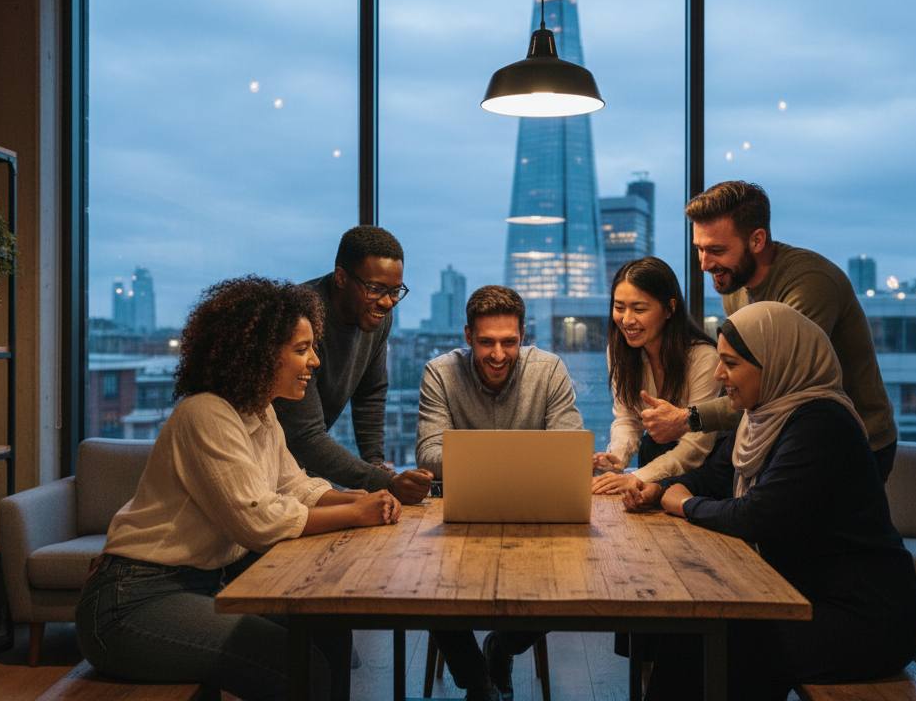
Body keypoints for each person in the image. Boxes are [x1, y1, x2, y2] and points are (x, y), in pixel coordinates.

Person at [75, 276, 403, 701]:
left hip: (202, 586)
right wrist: (356, 514)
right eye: (302, 349)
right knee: (302, 669)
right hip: (131, 604)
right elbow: (258, 521)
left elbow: (294, 485)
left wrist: (353, 498)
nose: (315, 361)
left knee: (329, 633)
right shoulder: (206, 413)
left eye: (313, 348)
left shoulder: (260, 411)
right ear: (260, 354)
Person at [621, 301, 916, 700]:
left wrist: (684, 504)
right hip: (797, 596)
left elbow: (756, 515)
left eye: (731, 363)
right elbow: (717, 477)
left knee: (707, 645)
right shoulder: (762, 414)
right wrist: (662, 488)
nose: (718, 374)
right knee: (691, 636)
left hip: (859, 617)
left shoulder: (821, 423)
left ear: (775, 361)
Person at [415, 285, 583, 701]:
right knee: (423, 587)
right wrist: (520, 457)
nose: (498, 354)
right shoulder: (440, 371)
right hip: (459, 510)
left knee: (573, 585)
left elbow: (569, 446)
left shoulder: (549, 369)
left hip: (535, 510)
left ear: (523, 336)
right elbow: (427, 452)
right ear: (468, 335)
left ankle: (502, 645)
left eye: (509, 342)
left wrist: (477, 456)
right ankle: (479, 681)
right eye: (486, 341)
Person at [686, 180, 899, 480]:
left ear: (757, 241)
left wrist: (690, 418)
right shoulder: (733, 285)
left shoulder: (811, 283)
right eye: (699, 249)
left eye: (717, 250)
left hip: (855, 441)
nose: (705, 264)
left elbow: (772, 388)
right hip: (786, 432)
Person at [273, 225, 433, 505]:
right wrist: (385, 481)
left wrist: (376, 463)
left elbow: (370, 392)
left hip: (300, 474)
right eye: (375, 289)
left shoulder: (377, 315)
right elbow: (305, 436)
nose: (387, 302)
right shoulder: (298, 317)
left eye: (395, 291)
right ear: (341, 277)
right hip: (265, 466)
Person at [590, 257, 722, 495]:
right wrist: (616, 459)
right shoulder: (619, 349)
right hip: (656, 462)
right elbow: (628, 418)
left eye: (639, 309)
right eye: (619, 308)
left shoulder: (703, 357)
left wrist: (638, 477)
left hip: (706, 472)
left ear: (670, 309)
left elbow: (697, 446)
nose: (627, 319)